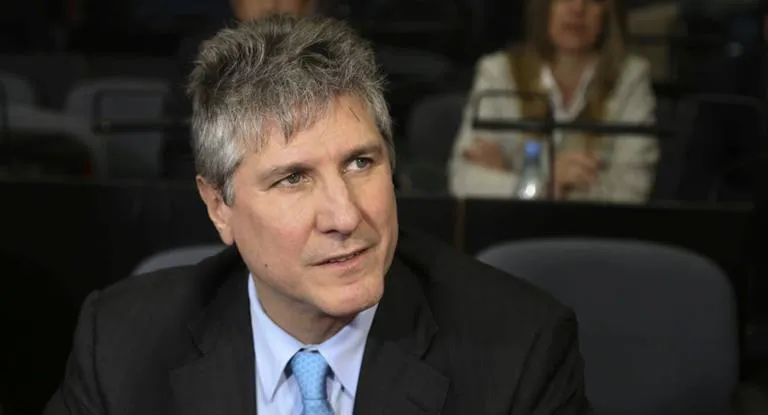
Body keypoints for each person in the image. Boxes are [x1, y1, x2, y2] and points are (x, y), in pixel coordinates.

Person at [45, 15, 589, 414]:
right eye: (293, 178)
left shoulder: (519, 349)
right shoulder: (120, 345)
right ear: (219, 207)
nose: (344, 216)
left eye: (360, 163)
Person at [449, 0, 659, 203]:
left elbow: (631, 193)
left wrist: (512, 180)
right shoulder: (498, 72)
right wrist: (546, 184)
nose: (578, 7)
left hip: (591, 227)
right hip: (509, 226)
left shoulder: (630, 79)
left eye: (594, 0)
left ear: (608, 12)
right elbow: (465, 181)